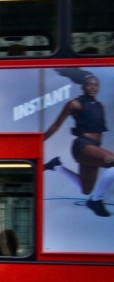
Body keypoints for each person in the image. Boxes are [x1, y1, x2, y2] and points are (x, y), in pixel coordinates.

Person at [43, 71, 114, 218]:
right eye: (90, 85)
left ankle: (57, 167)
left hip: (94, 149)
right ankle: (96, 201)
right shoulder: (75, 104)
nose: (94, 88)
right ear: (83, 87)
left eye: (96, 85)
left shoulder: (99, 105)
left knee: (86, 189)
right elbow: (57, 125)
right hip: (82, 147)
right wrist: (40, 140)